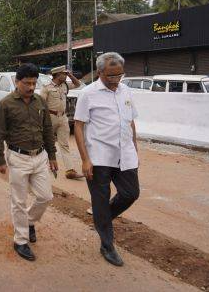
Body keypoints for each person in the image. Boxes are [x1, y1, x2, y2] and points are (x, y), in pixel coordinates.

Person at [74, 52, 140, 267]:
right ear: (100, 72)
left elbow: (130, 122)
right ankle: (107, 245)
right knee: (100, 200)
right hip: (99, 156)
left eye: (119, 75)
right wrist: (85, 160)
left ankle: (102, 219)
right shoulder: (88, 94)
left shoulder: (126, 90)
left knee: (131, 194)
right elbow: (79, 126)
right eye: (111, 75)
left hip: (125, 155)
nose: (116, 79)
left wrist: (135, 150)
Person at [0, 63, 57, 261]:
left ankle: (28, 222)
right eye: (26, 83)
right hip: (17, 157)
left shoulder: (40, 102)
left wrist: (52, 156)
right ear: (17, 82)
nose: (30, 87)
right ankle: (20, 241)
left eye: (34, 83)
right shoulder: (6, 104)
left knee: (45, 196)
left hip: (40, 156)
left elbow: (47, 130)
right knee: (18, 201)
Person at [40, 65, 83, 179]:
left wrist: (70, 75)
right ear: (57, 75)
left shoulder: (65, 85)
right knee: (46, 143)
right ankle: (42, 167)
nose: (66, 75)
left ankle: (70, 170)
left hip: (63, 118)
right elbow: (41, 105)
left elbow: (78, 84)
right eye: (64, 74)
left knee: (64, 144)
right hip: (50, 117)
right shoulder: (46, 87)